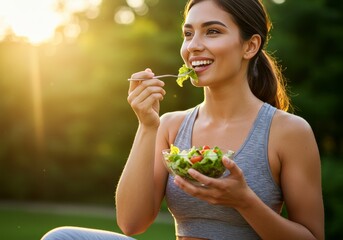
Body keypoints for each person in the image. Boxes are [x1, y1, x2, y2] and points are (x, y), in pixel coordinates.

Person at [42, 0, 324, 239]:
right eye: (188, 34)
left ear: (249, 47)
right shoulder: (170, 125)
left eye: (212, 32)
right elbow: (131, 222)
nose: (194, 46)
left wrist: (245, 201)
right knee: (62, 237)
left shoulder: (288, 131)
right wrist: (147, 125)